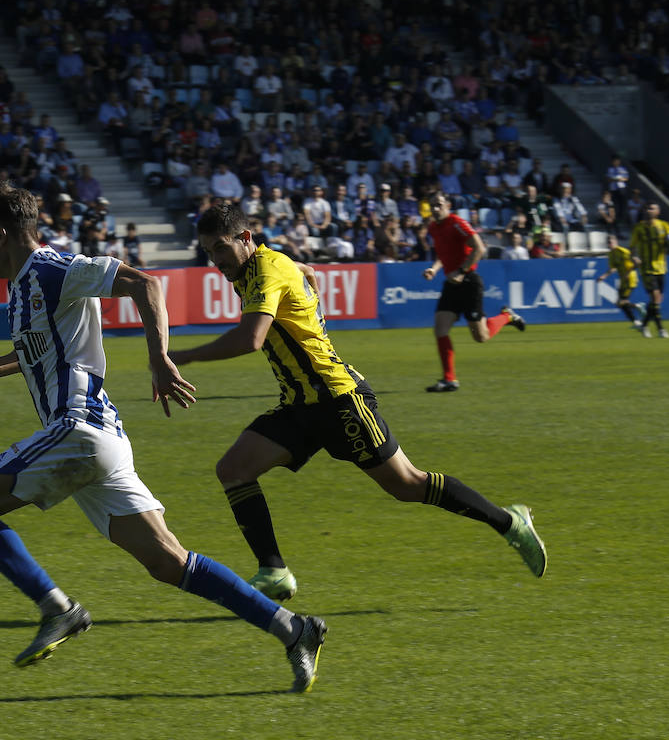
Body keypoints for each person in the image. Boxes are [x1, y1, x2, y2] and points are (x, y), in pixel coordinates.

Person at [0, 182, 327, 693]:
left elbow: (146, 284)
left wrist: (159, 358)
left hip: (77, 429)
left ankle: (58, 608)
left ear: (0, 232)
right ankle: (293, 629)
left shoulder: (55, 269)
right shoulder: (22, 286)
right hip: (98, 442)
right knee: (170, 563)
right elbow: (39, 350)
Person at [165, 203, 546, 606]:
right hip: (300, 404)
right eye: (209, 252)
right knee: (234, 469)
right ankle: (274, 571)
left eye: (221, 249)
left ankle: (509, 521)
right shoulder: (259, 266)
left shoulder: (267, 269)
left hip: (338, 399)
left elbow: (250, 339)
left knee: (408, 485)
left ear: (245, 239)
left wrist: (181, 357)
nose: (216, 261)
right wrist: (308, 290)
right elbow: (305, 272)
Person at [422, 191, 524, 393]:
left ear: (448, 205)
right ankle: (449, 380)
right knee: (440, 329)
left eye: (439, 204)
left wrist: (461, 271)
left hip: (469, 282)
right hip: (451, 283)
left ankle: (506, 316)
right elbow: (444, 254)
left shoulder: (457, 223)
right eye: (432, 205)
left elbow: (479, 248)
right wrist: (434, 269)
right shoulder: (433, 227)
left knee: (481, 337)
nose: (435, 208)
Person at [628, 202, 669, 338]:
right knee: (655, 297)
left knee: (657, 300)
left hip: (661, 268)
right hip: (646, 268)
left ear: (658, 212)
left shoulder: (664, 226)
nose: (649, 210)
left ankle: (644, 325)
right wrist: (634, 257)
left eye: (652, 208)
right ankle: (661, 330)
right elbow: (632, 247)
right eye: (647, 208)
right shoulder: (639, 228)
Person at [596, 229, 646, 329]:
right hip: (623, 280)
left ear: (616, 242)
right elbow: (613, 268)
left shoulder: (623, 251)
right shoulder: (611, 255)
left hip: (630, 279)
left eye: (611, 242)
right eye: (608, 243)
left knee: (622, 302)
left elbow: (637, 262)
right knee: (619, 303)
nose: (610, 244)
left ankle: (637, 322)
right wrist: (604, 276)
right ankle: (638, 308)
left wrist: (628, 272)